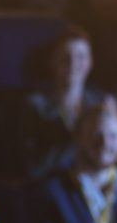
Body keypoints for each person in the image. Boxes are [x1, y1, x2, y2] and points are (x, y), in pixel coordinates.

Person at [18, 25, 105, 181]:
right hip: (54, 185)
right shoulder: (34, 106)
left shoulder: (101, 103)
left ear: (90, 62)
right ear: (52, 61)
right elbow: (32, 167)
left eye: (81, 57)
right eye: (65, 57)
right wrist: (78, 141)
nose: (73, 63)